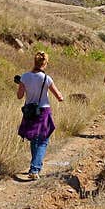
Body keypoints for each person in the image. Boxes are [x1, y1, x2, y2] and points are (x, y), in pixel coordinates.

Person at [17, 51, 64, 180]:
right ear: (45, 63)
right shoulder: (46, 78)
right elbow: (59, 96)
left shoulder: (25, 77)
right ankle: (35, 168)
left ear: (35, 62)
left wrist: (26, 88)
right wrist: (61, 98)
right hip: (43, 111)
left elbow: (19, 96)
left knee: (34, 138)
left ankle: (35, 165)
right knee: (43, 140)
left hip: (29, 111)